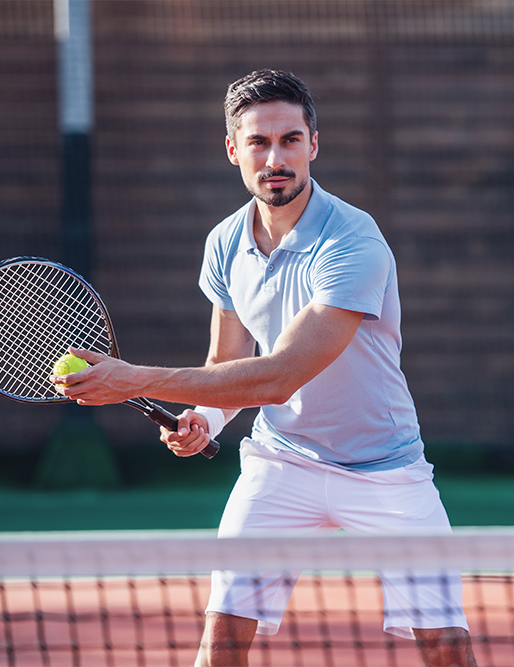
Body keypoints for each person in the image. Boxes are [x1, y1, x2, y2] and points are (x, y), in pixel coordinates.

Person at [53, 68, 477, 667]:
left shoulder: (353, 242)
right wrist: (203, 417)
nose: (275, 157)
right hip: (280, 462)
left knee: (446, 646)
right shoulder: (224, 243)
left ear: (313, 145)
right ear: (233, 150)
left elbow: (279, 375)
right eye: (258, 142)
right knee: (222, 640)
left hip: (385, 468)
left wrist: (134, 377)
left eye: (290, 140)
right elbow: (228, 364)